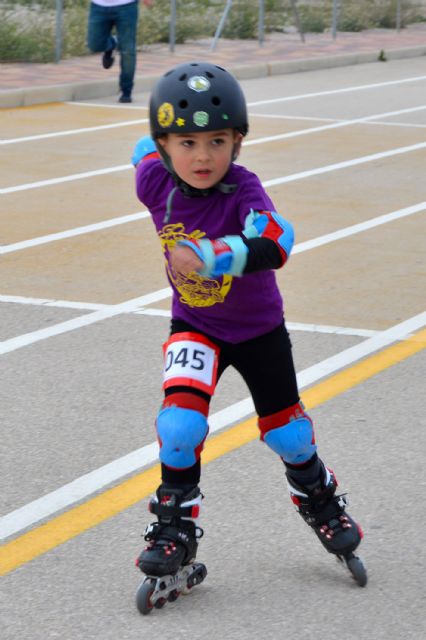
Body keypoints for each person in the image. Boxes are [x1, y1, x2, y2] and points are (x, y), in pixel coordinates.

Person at [132, 62, 365, 588]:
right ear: (164, 145)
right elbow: (140, 153)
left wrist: (214, 254)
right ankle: (173, 529)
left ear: (238, 142)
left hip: (259, 330)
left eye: (218, 140)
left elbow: (278, 241)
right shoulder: (154, 181)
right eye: (186, 143)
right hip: (195, 326)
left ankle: (322, 499)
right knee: (179, 426)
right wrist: (153, 138)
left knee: (289, 434)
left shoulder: (243, 190)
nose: (203, 156)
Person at [87, 0, 153, 104]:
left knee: (127, 51)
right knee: (94, 44)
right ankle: (111, 44)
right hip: (98, 5)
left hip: (126, 6)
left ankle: (126, 91)